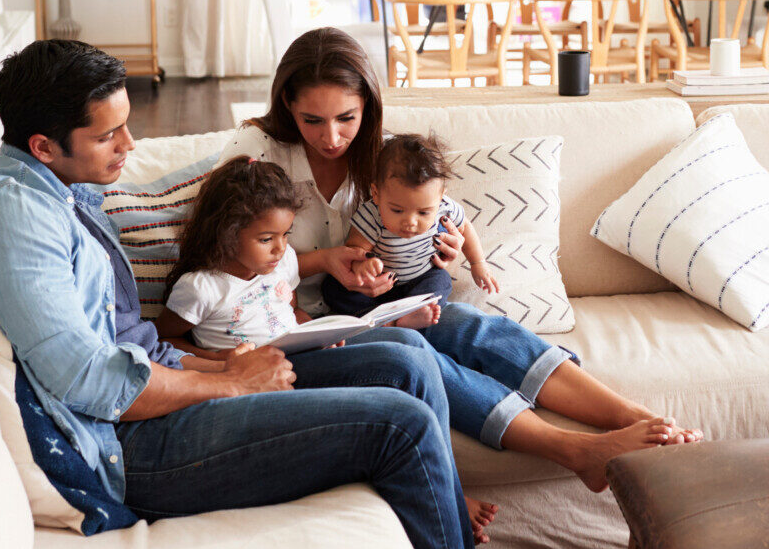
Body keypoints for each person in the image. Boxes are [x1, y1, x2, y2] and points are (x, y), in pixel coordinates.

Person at [0, 39, 485, 549]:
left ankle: (444, 529)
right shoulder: (13, 216)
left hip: (157, 388)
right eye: (107, 136)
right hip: (123, 445)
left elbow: (127, 343)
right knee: (399, 426)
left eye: (125, 126)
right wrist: (230, 382)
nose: (129, 144)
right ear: (44, 146)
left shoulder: (60, 189)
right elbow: (88, 381)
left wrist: (222, 361)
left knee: (404, 356)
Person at [214, 27, 702, 492]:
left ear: (367, 106)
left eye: (347, 118)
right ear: (287, 104)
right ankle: (576, 451)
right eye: (312, 121)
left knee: (472, 326)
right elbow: (219, 257)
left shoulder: (383, 159)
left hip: (376, 308)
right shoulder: (257, 152)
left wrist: (440, 254)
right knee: (417, 353)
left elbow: (430, 222)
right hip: (292, 329)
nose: (332, 137)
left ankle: (635, 417)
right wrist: (324, 261)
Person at [152, 155, 498, 542]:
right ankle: (443, 498)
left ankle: (445, 487)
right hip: (257, 382)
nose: (280, 249)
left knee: (412, 348)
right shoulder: (201, 287)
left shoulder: (281, 263)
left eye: (286, 235)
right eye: (266, 240)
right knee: (398, 385)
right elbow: (164, 341)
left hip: (302, 356)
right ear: (226, 234)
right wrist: (221, 362)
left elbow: (289, 310)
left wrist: (314, 330)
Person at [326, 133, 499, 319]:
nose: (410, 222)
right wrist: (363, 266)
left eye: (423, 213)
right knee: (332, 288)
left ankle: (413, 315)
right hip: (377, 287)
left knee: (441, 280)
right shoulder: (372, 215)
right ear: (376, 194)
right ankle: (379, 318)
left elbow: (465, 227)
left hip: (420, 279)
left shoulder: (445, 207)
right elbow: (354, 250)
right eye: (397, 210)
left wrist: (477, 263)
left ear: (440, 197)